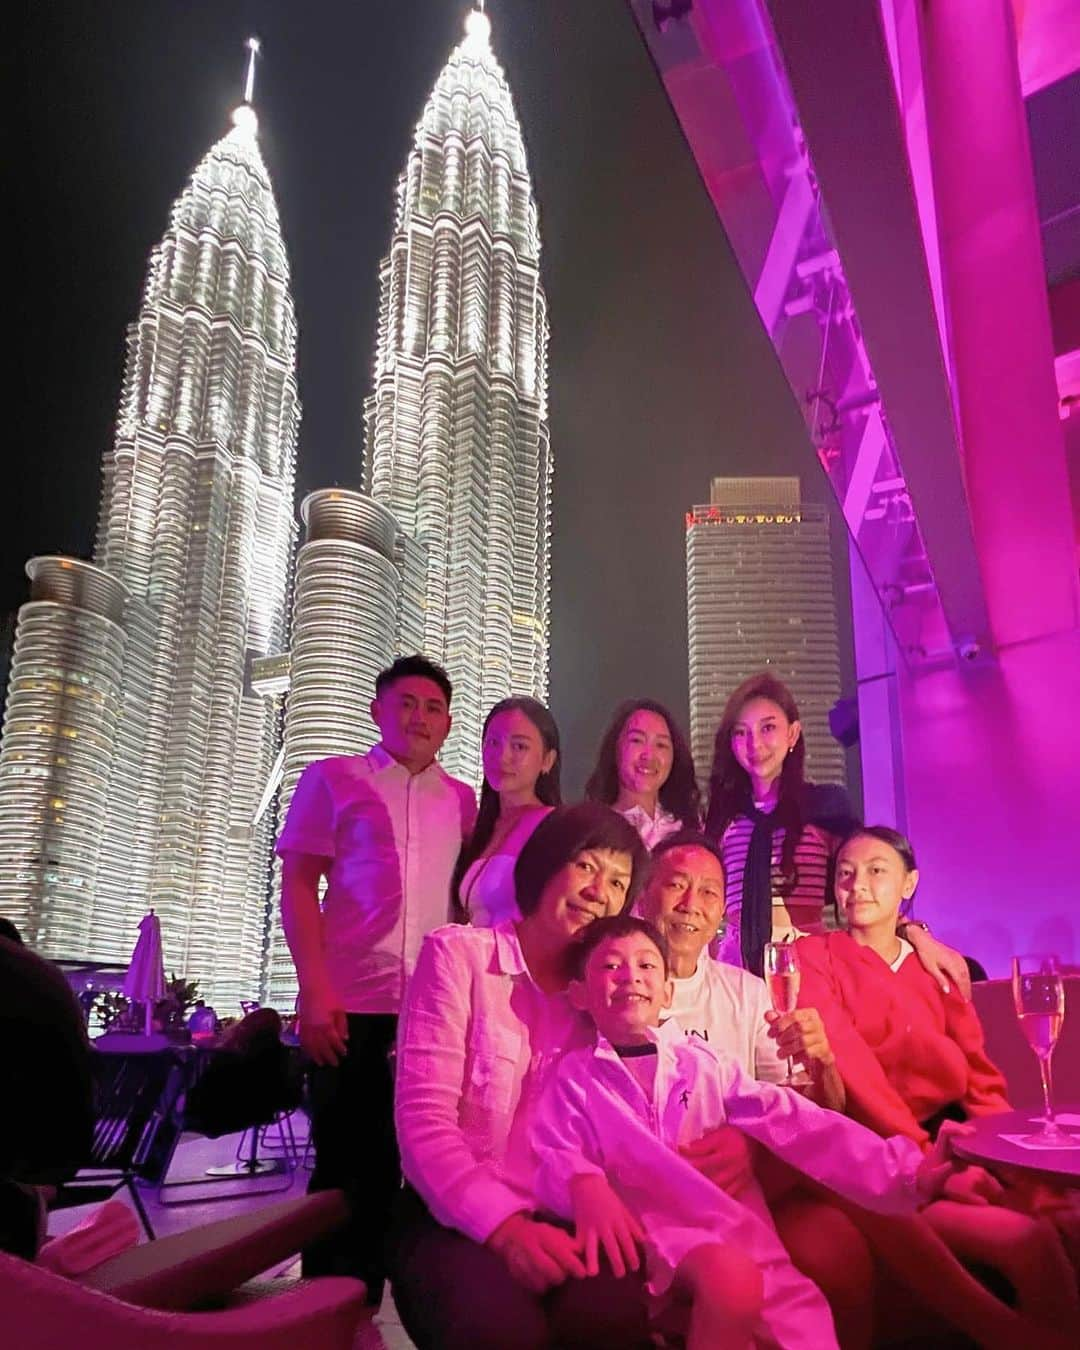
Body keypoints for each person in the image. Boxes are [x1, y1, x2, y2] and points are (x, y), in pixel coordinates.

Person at [530, 915, 975, 1350]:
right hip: (656, 1235)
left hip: (737, 1226)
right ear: (580, 994)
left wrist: (909, 1172)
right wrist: (579, 1180)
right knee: (731, 1289)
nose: (631, 976)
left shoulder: (704, 1064)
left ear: (668, 992)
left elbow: (798, 1122)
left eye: (647, 965)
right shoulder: (574, 1078)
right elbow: (550, 1149)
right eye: (610, 966)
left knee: (806, 1320)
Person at [391, 803, 654, 1350]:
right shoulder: (459, 956)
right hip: (453, 1218)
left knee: (612, 1321)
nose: (598, 891)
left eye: (617, 882)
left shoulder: (605, 998)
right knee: (499, 1334)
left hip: (567, 1213)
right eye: (586, 866)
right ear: (545, 864)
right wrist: (505, 1229)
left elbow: (621, 1126)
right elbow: (422, 1124)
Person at [796, 826, 1079, 1329]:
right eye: (845, 874)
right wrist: (933, 1163)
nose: (857, 884)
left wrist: (1012, 1162)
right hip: (888, 1149)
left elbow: (979, 1078)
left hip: (965, 1139)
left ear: (909, 884)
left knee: (1064, 1217)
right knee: (1030, 1243)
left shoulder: (937, 966)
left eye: (876, 871)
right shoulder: (813, 959)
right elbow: (855, 1072)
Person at [277, 654, 476, 1303]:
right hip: (350, 1006)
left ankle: (410, 1313)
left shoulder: (464, 802)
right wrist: (314, 987)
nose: (419, 717)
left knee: (424, 1168)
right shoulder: (333, 779)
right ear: (377, 711)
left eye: (433, 708)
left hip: (435, 1015)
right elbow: (300, 885)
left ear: (448, 723)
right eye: (407, 703)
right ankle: (327, 1317)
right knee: (343, 1170)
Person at [704, 672, 969, 998]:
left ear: (793, 734)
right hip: (735, 968)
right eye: (740, 732)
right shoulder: (723, 817)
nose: (754, 743)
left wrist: (915, 934)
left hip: (806, 961)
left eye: (768, 728)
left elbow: (863, 882)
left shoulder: (824, 805)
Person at [452, 697, 560, 927]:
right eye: (493, 743)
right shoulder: (480, 829)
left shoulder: (554, 828)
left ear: (547, 760)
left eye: (519, 746)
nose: (502, 757)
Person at [584, 698, 700, 849]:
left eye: (661, 745)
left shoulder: (690, 829)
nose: (648, 755)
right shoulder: (594, 829)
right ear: (615, 748)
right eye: (637, 740)